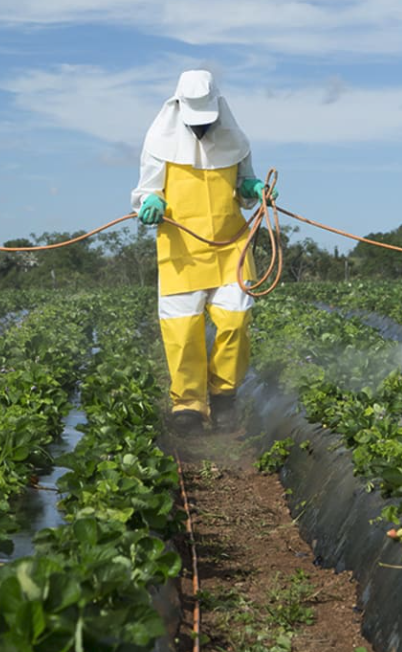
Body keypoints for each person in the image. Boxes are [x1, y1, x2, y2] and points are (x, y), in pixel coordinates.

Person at [131, 69, 275, 433]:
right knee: (183, 331)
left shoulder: (235, 140)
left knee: (236, 320)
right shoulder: (158, 140)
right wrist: (150, 203)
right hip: (181, 249)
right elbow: (147, 190)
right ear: (179, 109)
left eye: (206, 123)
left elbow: (243, 188)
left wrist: (254, 187)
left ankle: (224, 394)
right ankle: (189, 405)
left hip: (230, 247)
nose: (201, 130)